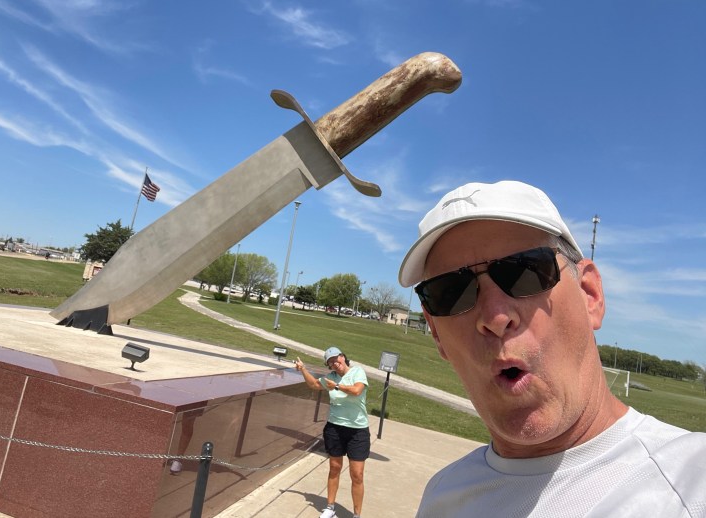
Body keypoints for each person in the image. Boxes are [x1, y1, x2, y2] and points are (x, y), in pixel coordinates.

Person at [398, 180, 706, 517]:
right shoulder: (442, 496)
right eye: (451, 292)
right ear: (436, 333)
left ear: (589, 295)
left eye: (524, 272)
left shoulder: (690, 484)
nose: (495, 318)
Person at [295, 347, 370, 518]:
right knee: (334, 468)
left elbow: (357, 390)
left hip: (358, 431)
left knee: (357, 474)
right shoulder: (331, 377)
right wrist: (303, 369)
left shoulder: (357, 372)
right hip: (335, 428)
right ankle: (330, 507)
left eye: (336, 359)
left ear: (343, 357)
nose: (335, 364)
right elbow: (314, 384)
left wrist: (336, 386)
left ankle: (357, 515)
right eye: (330, 363)